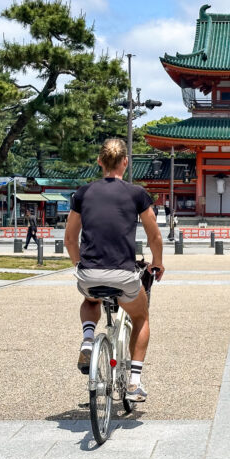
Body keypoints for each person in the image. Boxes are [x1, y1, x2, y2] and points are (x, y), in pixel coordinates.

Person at [64, 138, 164, 403]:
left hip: (88, 273)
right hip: (123, 274)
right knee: (141, 316)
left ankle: (88, 339)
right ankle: (134, 382)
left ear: (99, 162)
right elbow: (155, 236)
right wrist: (158, 262)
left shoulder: (82, 193)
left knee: (90, 299)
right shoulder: (137, 193)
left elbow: (70, 239)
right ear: (125, 162)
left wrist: (79, 265)